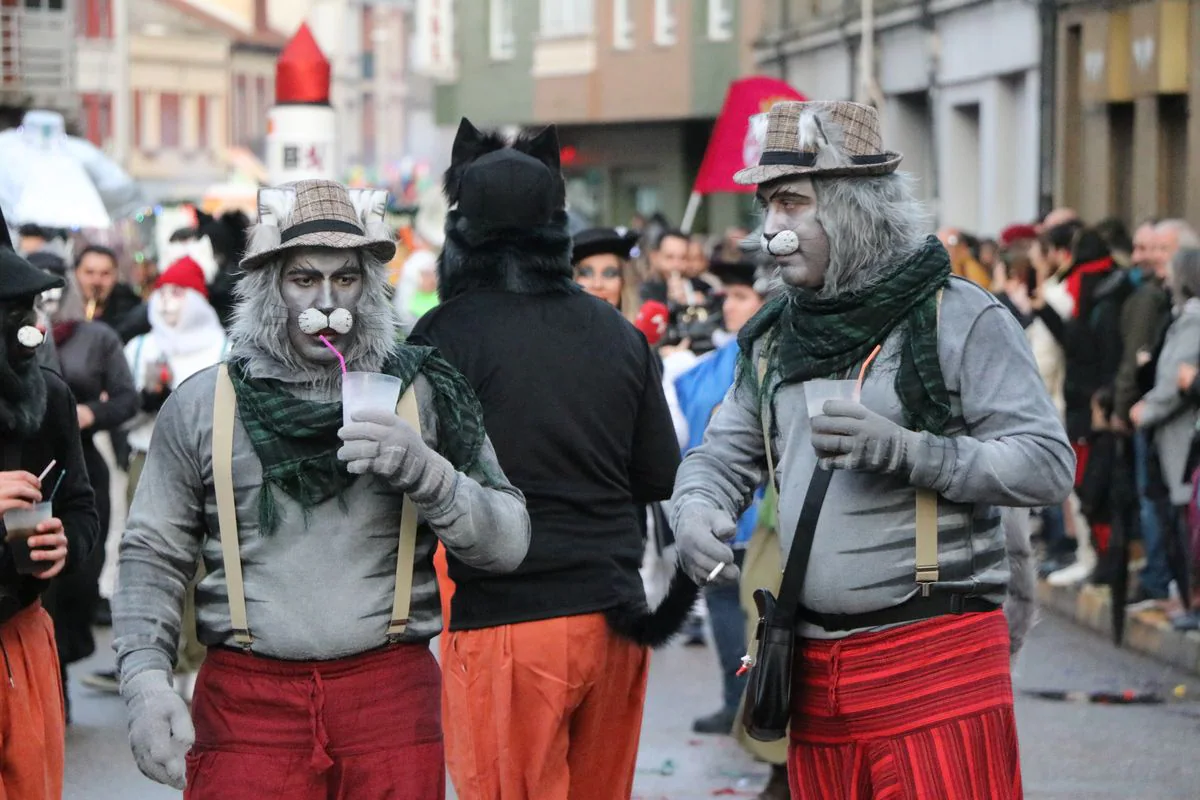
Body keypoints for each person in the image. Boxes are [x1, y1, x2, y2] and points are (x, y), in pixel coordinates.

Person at [672, 100, 1074, 798]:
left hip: (936, 659)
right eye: (766, 205)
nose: (771, 230)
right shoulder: (773, 337)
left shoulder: (959, 315)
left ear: (853, 207)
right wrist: (694, 507)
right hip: (815, 671)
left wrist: (910, 452)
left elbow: (1046, 463)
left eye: (792, 203)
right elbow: (723, 455)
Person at [113, 178, 531, 798]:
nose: (328, 303)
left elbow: (508, 544)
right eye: (304, 279)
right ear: (268, 287)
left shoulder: (422, 394)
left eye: (346, 279)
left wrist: (428, 472)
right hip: (246, 711)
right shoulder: (203, 404)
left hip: (388, 704)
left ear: (368, 289)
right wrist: (145, 681)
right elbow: (152, 553)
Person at [409, 120, 684, 800]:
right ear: (557, 226)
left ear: (462, 232)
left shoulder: (443, 334)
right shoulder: (619, 335)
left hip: (508, 620)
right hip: (615, 620)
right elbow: (658, 476)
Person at [83, 255, 229, 696]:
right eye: (162, 292)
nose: (168, 302)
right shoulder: (140, 347)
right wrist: (145, 402)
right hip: (150, 460)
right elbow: (122, 412)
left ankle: (199, 659)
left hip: (210, 463)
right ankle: (150, 659)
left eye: (178, 292)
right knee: (150, 558)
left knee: (208, 562)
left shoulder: (226, 348)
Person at [0, 210, 100, 797]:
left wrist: (68, 542)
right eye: (12, 316)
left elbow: (83, 508)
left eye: (29, 314)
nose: (30, 333)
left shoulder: (51, 398)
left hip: (22, 639)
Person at [1132, 247, 1200, 630]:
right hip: (1170, 433)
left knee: (1182, 521)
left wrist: (1147, 409)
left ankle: (1190, 601)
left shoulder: (1193, 321)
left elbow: (1178, 377)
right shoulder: (1182, 317)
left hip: (1178, 434)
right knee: (1175, 519)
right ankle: (1185, 599)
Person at [73, 245, 150, 342]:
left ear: (116, 276)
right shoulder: (60, 317)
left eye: (105, 274)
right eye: (89, 272)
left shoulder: (135, 320)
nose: (97, 281)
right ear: (75, 274)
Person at [572, 226, 643, 320]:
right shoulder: (552, 331)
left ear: (624, 281)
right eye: (586, 273)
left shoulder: (639, 333)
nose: (597, 284)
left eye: (609, 274)